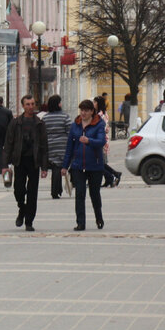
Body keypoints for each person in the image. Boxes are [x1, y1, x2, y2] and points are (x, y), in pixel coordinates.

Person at [2, 94, 48, 231]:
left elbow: (44, 146)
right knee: (19, 190)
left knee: (33, 192)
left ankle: (29, 221)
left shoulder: (40, 123)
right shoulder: (15, 123)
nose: (30, 107)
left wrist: (44, 167)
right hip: (19, 161)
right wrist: (4, 165)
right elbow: (8, 144)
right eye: (27, 104)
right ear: (23, 106)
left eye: (32, 104)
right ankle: (22, 208)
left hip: (34, 161)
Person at [61, 100, 106, 231]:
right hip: (78, 165)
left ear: (92, 111)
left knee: (94, 193)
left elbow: (101, 141)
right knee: (79, 194)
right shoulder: (75, 125)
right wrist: (65, 166)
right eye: (81, 110)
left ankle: (99, 217)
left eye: (86, 110)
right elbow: (69, 147)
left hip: (95, 165)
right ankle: (80, 222)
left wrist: (89, 141)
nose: (83, 113)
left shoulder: (98, 124)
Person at [41, 95, 71, 199]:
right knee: (58, 167)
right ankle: (55, 190)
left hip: (49, 145)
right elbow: (70, 132)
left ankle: (57, 189)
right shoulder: (65, 117)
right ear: (58, 104)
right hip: (61, 145)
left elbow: (42, 132)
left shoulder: (45, 118)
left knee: (55, 166)